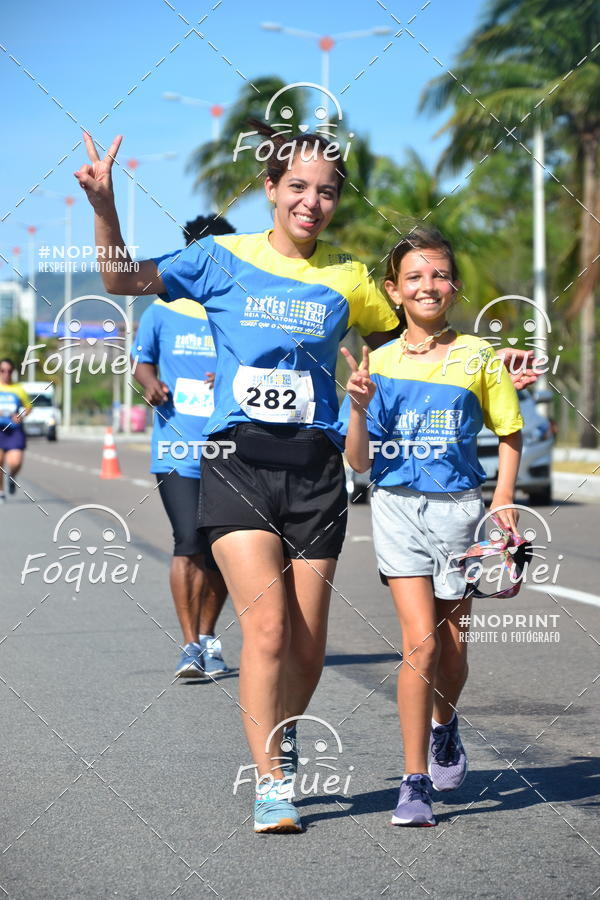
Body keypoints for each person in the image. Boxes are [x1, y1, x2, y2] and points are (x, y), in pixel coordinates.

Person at [74, 130, 537, 835]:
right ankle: (270, 784)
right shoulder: (220, 257)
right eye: (297, 187)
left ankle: (283, 727)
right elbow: (120, 281)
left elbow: (416, 327)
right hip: (237, 462)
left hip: (318, 473)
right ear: (270, 190)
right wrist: (104, 207)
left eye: (325, 190)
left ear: (336, 200)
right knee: (265, 630)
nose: (311, 201)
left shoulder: (350, 278)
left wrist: (487, 367)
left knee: (308, 642)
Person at [342, 226, 523, 827]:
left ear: (455, 287)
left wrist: (500, 503)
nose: (428, 285)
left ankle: (447, 724)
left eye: (439, 275)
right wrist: (360, 407)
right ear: (393, 291)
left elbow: (509, 433)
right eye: (414, 277)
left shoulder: (477, 356)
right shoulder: (379, 362)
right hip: (396, 509)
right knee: (418, 642)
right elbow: (359, 462)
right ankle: (413, 781)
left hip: (461, 513)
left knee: (452, 643)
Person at [132, 215, 234, 679]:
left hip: (232, 449)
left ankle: (209, 635)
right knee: (188, 541)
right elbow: (142, 364)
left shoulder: (235, 309)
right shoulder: (161, 309)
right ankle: (189, 643)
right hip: (176, 447)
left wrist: (230, 376)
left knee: (220, 549)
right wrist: (152, 385)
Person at [0, 358, 32, 502]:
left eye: (9, 371)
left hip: (14, 430)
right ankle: (1, 492)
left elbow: (28, 407)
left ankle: (12, 476)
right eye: (2, 370)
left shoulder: (19, 389)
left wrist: (21, 415)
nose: (6, 373)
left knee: (16, 462)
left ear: (13, 372)